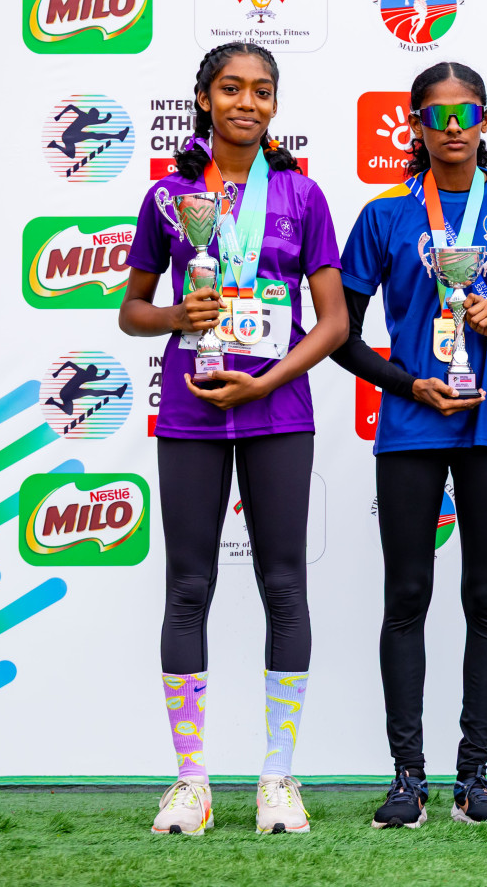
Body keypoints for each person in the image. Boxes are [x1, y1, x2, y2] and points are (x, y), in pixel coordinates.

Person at [119, 41, 347, 836]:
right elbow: (133, 310)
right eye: (230, 89)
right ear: (205, 98)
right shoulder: (169, 194)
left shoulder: (302, 195)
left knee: (284, 586)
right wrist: (180, 317)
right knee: (189, 587)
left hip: (277, 408)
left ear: (275, 105)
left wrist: (270, 378)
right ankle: (191, 782)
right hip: (191, 406)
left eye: (261, 91)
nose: (246, 103)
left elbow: (335, 321)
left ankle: (277, 781)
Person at [332, 61, 487, 830]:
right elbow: (342, 336)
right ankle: (408, 778)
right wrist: (407, 386)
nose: (454, 129)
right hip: (411, 426)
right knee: (407, 598)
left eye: (467, 114)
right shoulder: (383, 217)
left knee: (486, 600)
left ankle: (476, 778)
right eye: (437, 116)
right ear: (416, 125)